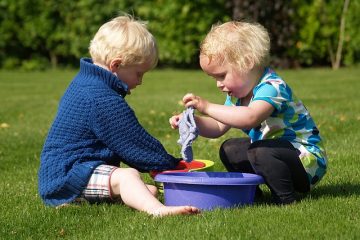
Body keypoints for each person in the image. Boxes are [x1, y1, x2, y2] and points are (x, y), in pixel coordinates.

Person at [38, 15, 200, 217]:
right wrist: (171, 165)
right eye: (139, 73)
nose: (140, 81)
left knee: (147, 190)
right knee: (128, 177)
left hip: (74, 172)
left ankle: (77, 201)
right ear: (116, 65)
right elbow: (135, 144)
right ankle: (158, 211)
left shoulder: (86, 82)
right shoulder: (101, 98)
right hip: (67, 176)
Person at [169, 21, 327, 204]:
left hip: (305, 161)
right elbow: (219, 126)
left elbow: (250, 118)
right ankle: (251, 194)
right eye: (214, 78)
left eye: (222, 76)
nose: (218, 84)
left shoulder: (272, 87)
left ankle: (286, 199)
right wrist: (191, 122)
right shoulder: (237, 96)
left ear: (247, 62)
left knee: (260, 151)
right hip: (272, 153)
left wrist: (207, 106)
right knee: (230, 149)